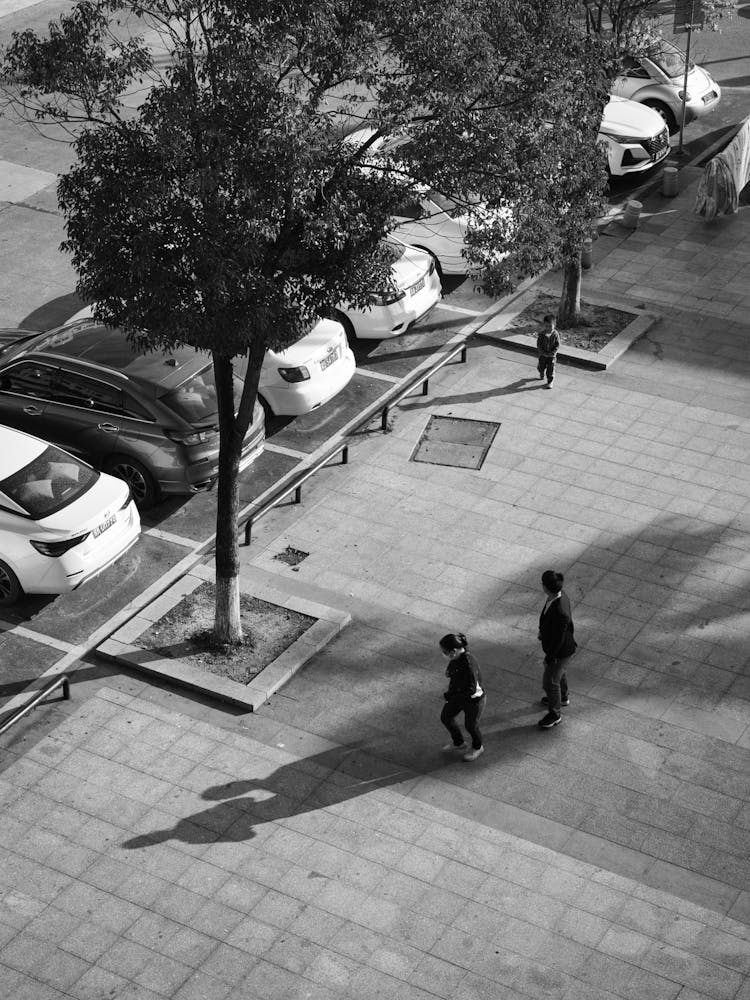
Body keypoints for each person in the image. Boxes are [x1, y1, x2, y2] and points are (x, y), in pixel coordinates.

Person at [537, 570, 577, 729]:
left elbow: (559, 639)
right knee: (559, 674)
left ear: (546, 587)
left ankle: (555, 713)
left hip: (560, 651)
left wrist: (550, 657)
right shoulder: (557, 596)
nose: (541, 585)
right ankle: (562, 697)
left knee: (550, 682)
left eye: (542, 583)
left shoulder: (560, 610)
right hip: (560, 648)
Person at [439, 632, 486, 761]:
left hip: (474, 700)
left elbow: (471, 689)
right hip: (458, 696)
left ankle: (478, 747)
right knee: (446, 717)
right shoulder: (456, 658)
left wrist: (452, 697)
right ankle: (459, 743)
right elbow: (453, 676)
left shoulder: (468, 665)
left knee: (471, 726)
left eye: (444, 651)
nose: (443, 654)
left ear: (454, 651)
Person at [536, 314, 560, 389]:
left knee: (551, 369)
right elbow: (539, 344)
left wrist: (553, 353)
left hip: (551, 356)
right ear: (544, 325)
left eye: (550, 326)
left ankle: (550, 381)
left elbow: (557, 345)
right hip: (543, 355)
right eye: (546, 326)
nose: (548, 328)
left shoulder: (555, 334)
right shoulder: (542, 334)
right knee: (541, 366)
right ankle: (541, 371)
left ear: (554, 325)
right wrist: (542, 352)